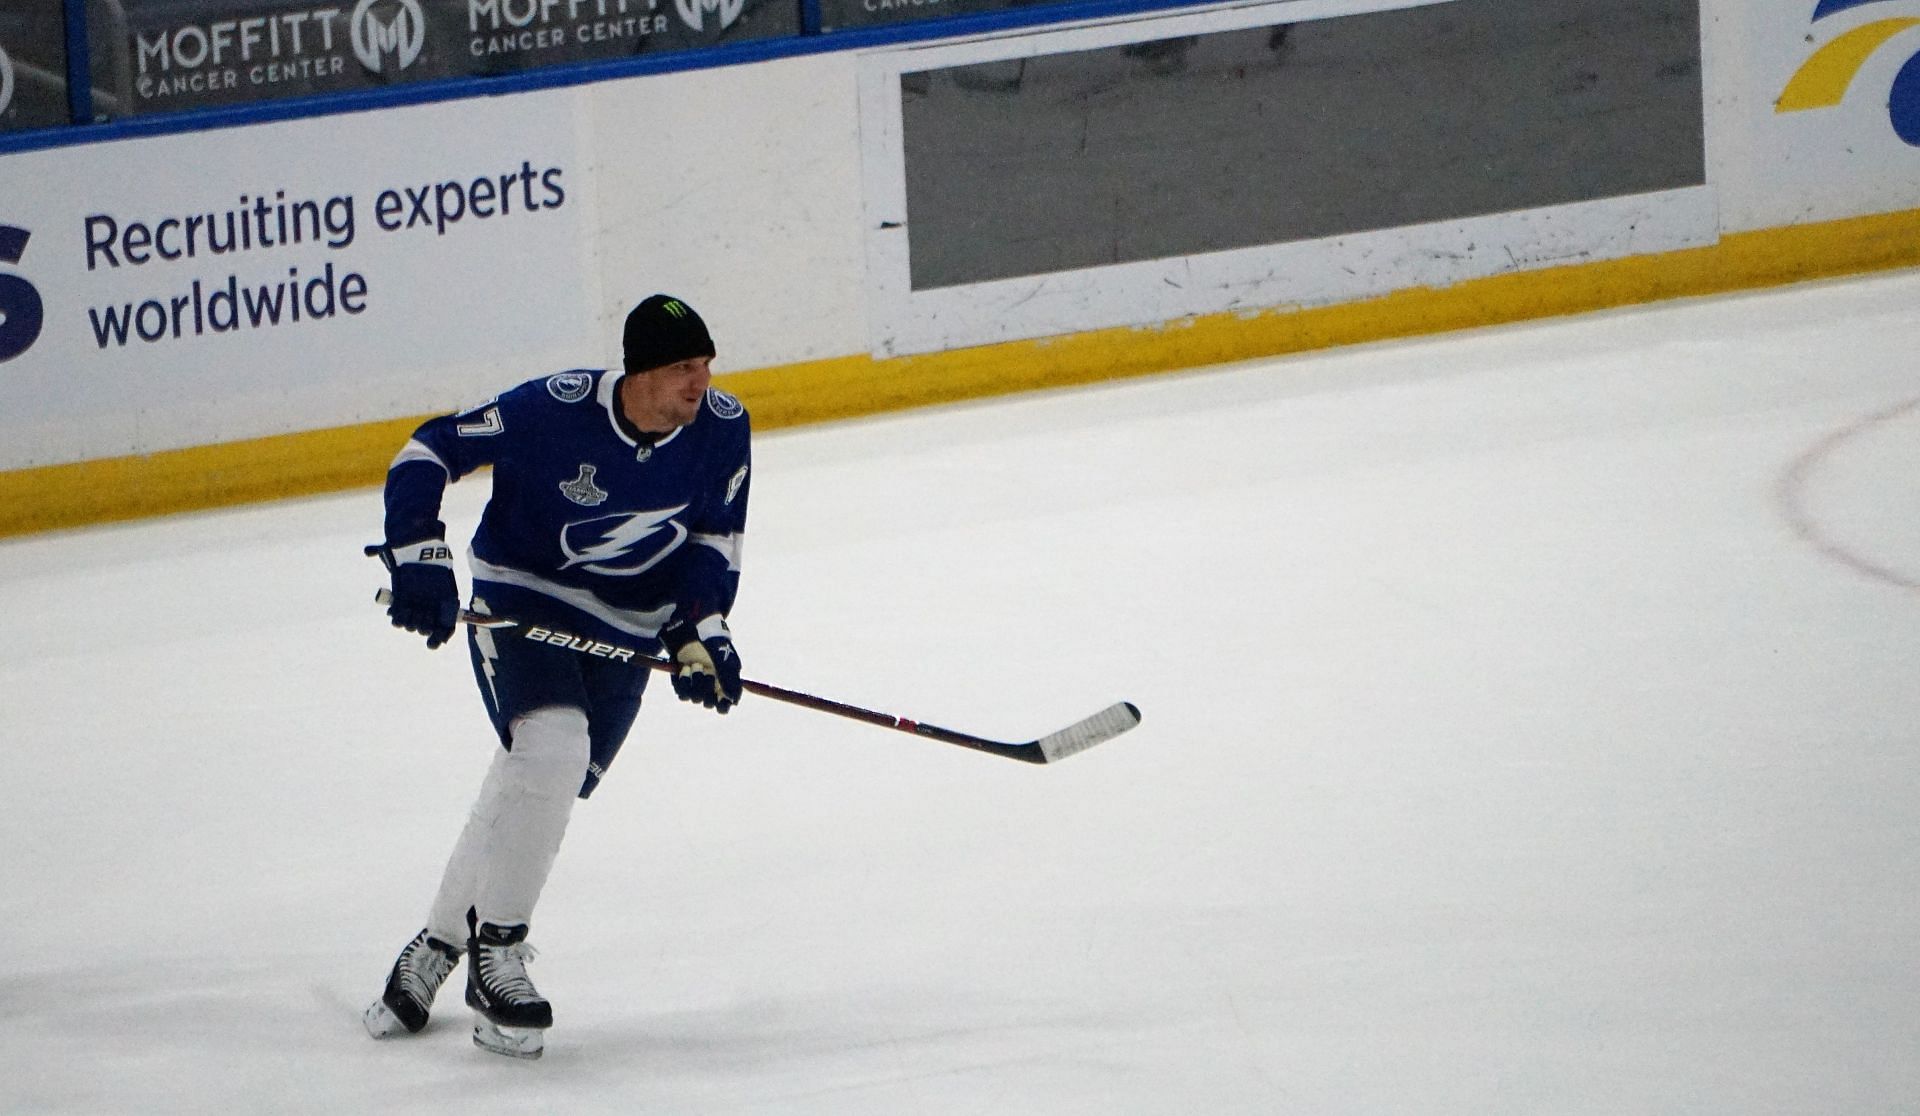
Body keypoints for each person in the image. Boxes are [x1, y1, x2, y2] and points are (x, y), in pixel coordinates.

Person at [360, 294, 750, 1059]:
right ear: (638, 373)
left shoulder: (723, 427)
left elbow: (714, 537)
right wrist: (418, 552)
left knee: (533, 778)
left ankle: (438, 943)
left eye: (704, 365)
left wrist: (702, 630)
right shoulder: (553, 409)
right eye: (681, 369)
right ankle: (496, 955)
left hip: (630, 625)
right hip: (524, 595)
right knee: (551, 748)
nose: (699, 384)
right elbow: (428, 450)